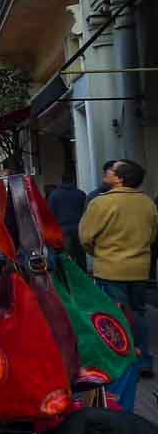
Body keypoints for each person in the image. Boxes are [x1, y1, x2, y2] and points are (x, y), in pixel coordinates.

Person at [80, 159, 158, 381]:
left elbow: (85, 237)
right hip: (139, 268)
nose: (107, 172)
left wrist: (98, 253)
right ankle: (143, 360)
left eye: (111, 171)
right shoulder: (147, 203)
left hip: (110, 268)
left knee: (113, 316)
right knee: (139, 312)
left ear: (119, 178)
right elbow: (152, 236)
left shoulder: (101, 203)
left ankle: (120, 361)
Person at [48, 173, 88, 271]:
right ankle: (83, 277)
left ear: (61, 181)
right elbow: (86, 211)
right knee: (80, 257)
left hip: (63, 230)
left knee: (65, 257)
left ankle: (69, 279)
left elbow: (50, 213)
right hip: (79, 228)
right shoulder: (81, 194)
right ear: (73, 180)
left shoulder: (54, 195)